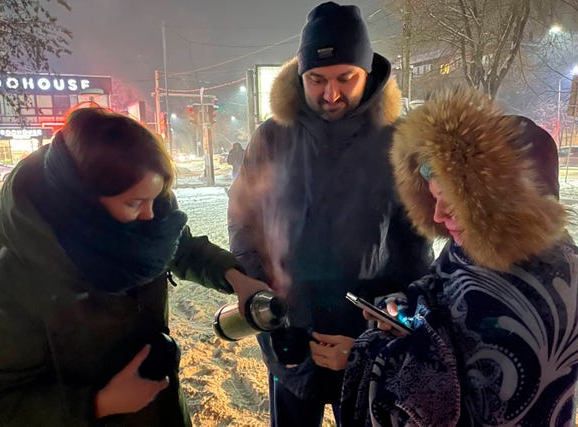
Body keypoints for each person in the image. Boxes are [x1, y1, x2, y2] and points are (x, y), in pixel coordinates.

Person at [0, 107, 269, 426]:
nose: (151, 218)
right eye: (134, 203)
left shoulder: (148, 225)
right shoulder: (11, 285)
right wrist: (98, 404)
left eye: (156, 199)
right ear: (82, 198)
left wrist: (235, 277)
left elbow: (180, 247)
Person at [227, 2, 433, 425]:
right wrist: (266, 304)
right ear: (300, 75)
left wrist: (377, 336)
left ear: (368, 74)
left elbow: (416, 254)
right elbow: (244, 223)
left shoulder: (398, 144)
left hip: (360, 342)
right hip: (287, 333)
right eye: (317, 79)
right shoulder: (271, 138)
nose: (330, 93)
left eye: (346, 78)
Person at [341, 87, 578, 426]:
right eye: (434, 197)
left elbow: (460, 399)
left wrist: (370, 353)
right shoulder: (474, 243)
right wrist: (402, 308)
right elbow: (439, 289)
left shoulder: (554, 284)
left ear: (506, 203)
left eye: (452, 202)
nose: (437, 215)